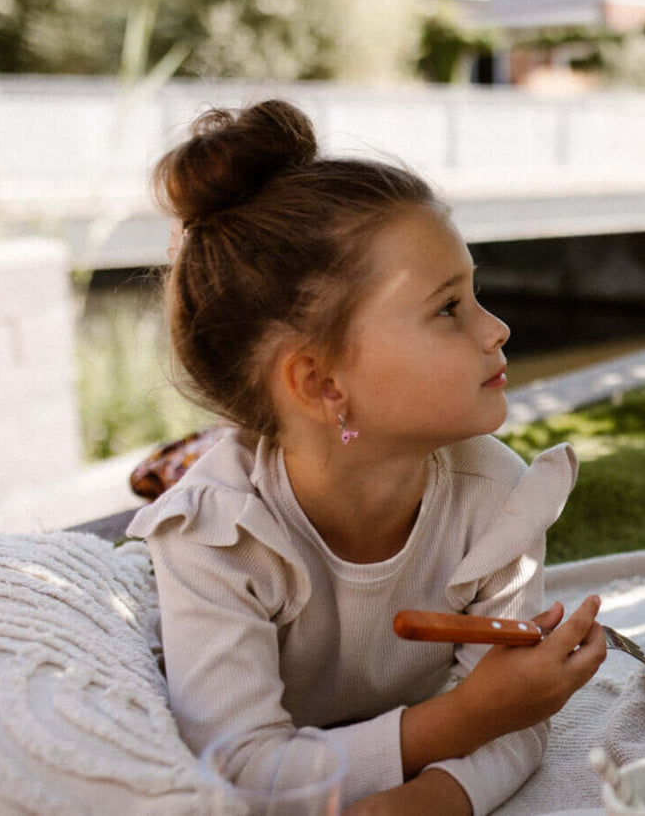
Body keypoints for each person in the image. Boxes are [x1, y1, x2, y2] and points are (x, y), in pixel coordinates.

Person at [126, 100, 607, 815]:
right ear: (321, 382)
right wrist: (461, 718)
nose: (497, 328)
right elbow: (240, 769)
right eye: (448, 308)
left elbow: (519, 711)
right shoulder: (217, 540)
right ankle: (181, 462)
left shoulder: (499, 496)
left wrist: (435, 798)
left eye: (474, 295)